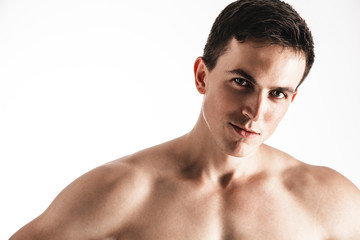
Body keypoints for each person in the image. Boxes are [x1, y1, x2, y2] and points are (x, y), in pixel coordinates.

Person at [10, 0, 360, 239]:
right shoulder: (126, 190)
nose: (255, 111)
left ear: (292, 98)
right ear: (202, 76)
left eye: (277, 93)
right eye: (241, 82)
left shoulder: (331, 202)